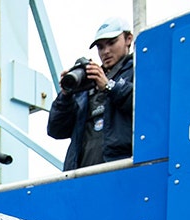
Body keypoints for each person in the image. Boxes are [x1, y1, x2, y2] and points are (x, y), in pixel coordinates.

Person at [46, 17, 135, 170]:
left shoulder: (139, 68)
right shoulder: (87, 84)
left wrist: (109, 86)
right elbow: (56, 130)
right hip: (82, 176)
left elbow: (148, 106)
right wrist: (65, 95)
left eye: (112, 42)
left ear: (128, 39)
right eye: (100, 47)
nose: (106, 51)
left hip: (120, 171)